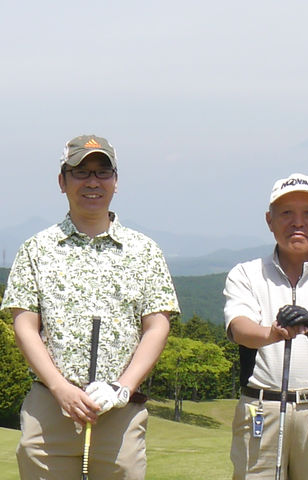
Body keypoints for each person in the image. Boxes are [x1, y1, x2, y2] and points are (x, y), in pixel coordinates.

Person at [1, 135, 180, 479]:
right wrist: (60, 387)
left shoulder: (144, 251)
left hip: (120, 410)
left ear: (116, 181)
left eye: (102, 172)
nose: (93, 182)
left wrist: (122, 387)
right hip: (50, 406)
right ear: (62, 181)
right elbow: (25, 325)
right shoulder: (36, 249)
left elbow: (157, 326)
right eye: (81, 172)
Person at [223, 173, 308, 479]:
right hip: (261, 407)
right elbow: (239, 328)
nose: (298, 222)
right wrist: (272, 334)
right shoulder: (245, 274)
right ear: (269, 220)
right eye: (286, 213)